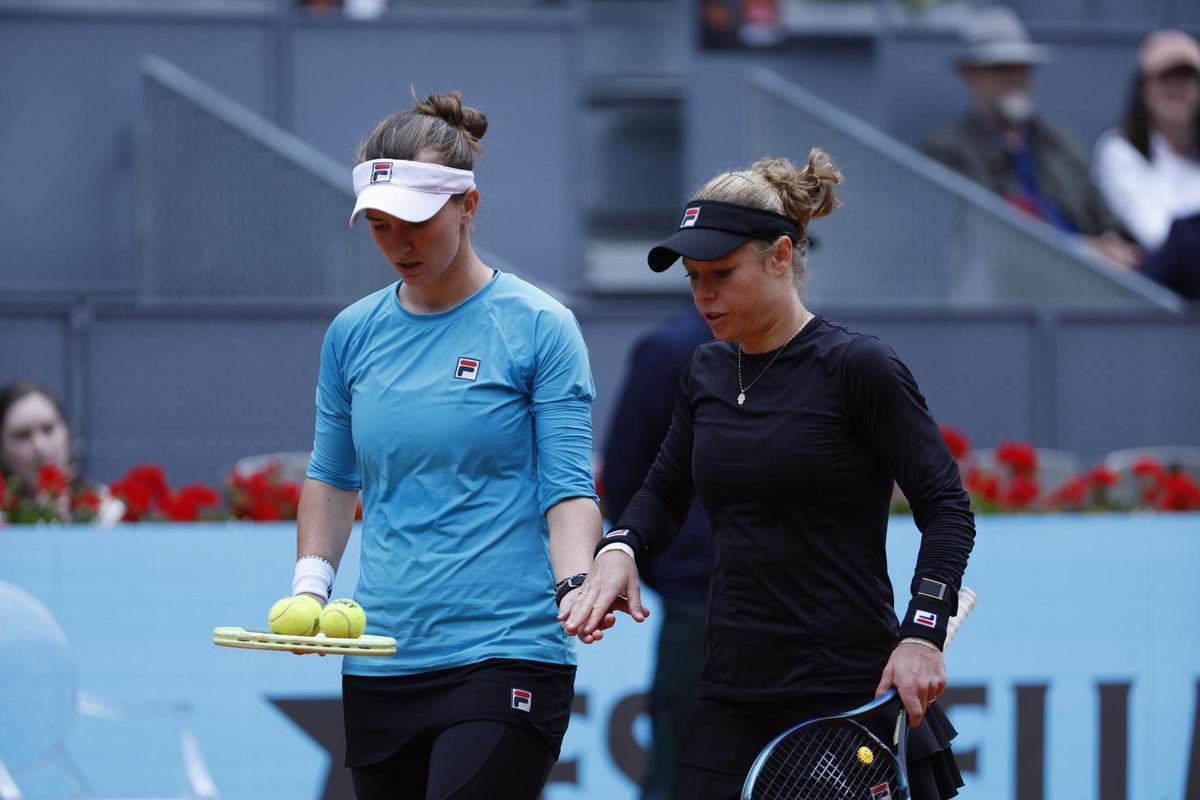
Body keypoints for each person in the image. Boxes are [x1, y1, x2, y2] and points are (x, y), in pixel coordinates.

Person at [562, 152, 975, 800]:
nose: (704, 296)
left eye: (722, 275)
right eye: (694, 278)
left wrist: (921, 635)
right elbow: (665, 491)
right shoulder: (704, 371)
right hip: (730, 691)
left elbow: (946, 506)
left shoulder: (858, 367)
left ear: (781, 256)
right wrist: (620, 549)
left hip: (846, 690)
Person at [290, 91, 606, 799]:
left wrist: (577, 586)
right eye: (377, 225)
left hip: (507, 652)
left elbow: (567, 489)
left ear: (467, 204)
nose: (397, 242)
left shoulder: (539, 327)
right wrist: (311, 587)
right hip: (380, 658)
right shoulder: (351, 335)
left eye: (414, 222)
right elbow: (334, 477)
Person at [924, 5, 1140, 269]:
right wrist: (1082, 250)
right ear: (969, 74)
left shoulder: (1060, 143)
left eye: (1022, 67)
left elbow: (1105, 217)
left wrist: (1114, 245)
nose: (1014, 77)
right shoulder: (948, 151)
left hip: (1095, 285)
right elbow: (988, 239)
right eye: (1000, 68)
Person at [602, 304, 714, 800]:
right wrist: (670, 565)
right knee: (680, 765)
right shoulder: (672, 351)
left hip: (769, 605)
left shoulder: (823, 353)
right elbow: (627, 474)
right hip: (700, 599)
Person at [1093, 29, 1200, 251]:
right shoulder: (1119, 150)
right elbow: (1156, 235)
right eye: (1164, 77)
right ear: (1142, 89)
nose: (1175, 86)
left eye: (1186, 77)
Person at [0, 381, 122, 524]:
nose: (40, 446)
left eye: (48, 428)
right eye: (22, 435)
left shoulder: (107, 509)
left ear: (67, 432)